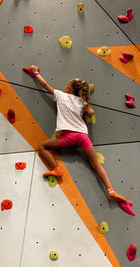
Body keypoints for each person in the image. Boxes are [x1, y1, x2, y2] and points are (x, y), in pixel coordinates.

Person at [30, 65, 126, 202]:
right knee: (96, 163)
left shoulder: (61, 95)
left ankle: (56, 169)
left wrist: (36, 72)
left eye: (67, 85)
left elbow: (45, 85)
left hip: (69, 136)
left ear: (69, 89)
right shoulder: (82, 101)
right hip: (82, 135)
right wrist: (89, 109)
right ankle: (111, 190)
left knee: (42, 146)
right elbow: (90, 111)